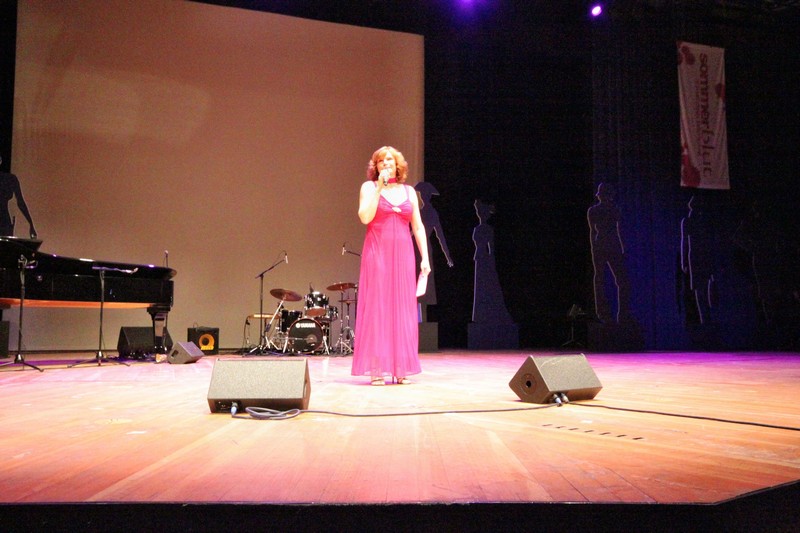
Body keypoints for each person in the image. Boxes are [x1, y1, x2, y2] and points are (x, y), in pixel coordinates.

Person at [351, 146, 430, 385]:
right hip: (377, 254)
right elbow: (365, 217)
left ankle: (401, 368)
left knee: (403, 309)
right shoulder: (368, 187)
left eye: (389, 160)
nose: (385, 163)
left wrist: (425, 258)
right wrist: (379, 188)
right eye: (380, 161)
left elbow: (418, 226)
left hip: (404, 255)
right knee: (378, 309)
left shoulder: (409, 191)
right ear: (376, 167)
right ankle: (377, 369)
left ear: (398, 165)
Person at [0, 156, 37, 238]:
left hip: (4, 222)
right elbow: (20, 202)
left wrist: (31, 224)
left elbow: (20, 202)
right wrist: (30, 224)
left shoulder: (10, 179)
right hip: (4, 222)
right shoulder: (10, 179)